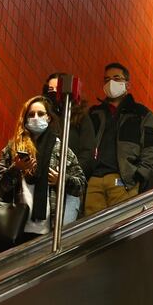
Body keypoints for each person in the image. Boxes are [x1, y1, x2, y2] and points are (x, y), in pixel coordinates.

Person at [0, 96, 85, 240]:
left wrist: (62, 180)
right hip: (16, 225)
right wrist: (16, 168)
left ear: (49, 118)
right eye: (31, 114)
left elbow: (81, 185)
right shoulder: (12, 149)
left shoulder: (61, 150)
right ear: (25, 119)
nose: (35, 118)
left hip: (50, 227)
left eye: (40, 114)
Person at [82, 62, 153, 216]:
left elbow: (152, 150)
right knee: (90, 234)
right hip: (94, 181)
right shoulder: (94, 114)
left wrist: (138, 176)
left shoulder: (142, 114)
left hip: (123, 180)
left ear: (127, 84)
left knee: (120, 229)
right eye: (107, 79)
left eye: (117, 78)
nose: (111, 83)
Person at [43, 72, 94, 222]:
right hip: (45, 186)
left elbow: (88, 152)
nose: (53, 95)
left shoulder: (80, 117)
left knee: (65, 224)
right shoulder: (44, 118)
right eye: (49, 90)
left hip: (70, 187)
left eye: (56, 90)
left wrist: (68, 176)